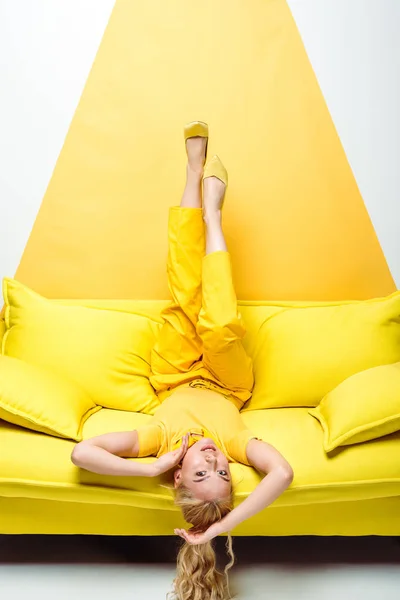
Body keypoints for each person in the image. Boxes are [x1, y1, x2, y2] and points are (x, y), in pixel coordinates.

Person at [71, 122, 294, 600]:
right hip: (227, 382)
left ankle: (193, 172)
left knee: (183, 289)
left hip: (173, 374)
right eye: (222, 474)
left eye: (200, 472)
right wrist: (219, 529)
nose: (215, 461)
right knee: (217, 322)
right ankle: (212, 218)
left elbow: (82, 453)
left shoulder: (161, 442)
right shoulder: (234, 442)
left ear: (177, 473)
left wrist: (150, 467)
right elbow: (282, 474)